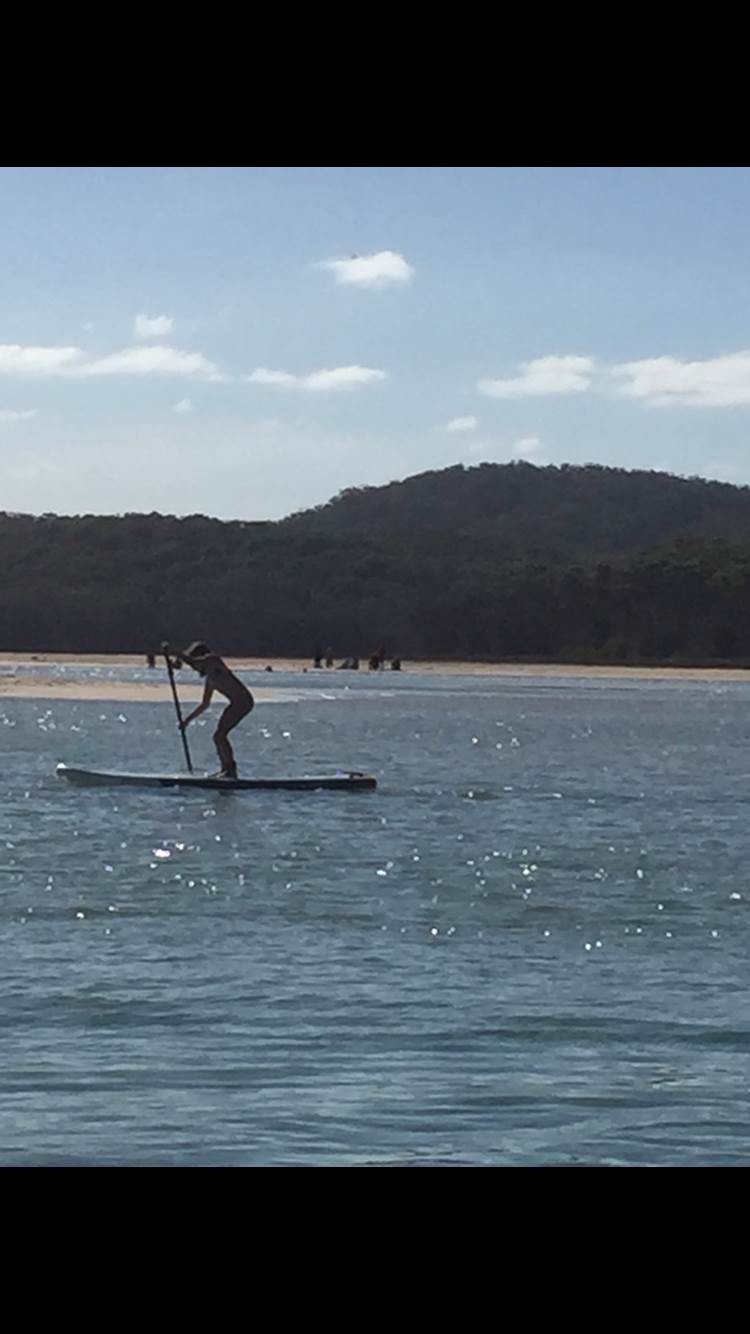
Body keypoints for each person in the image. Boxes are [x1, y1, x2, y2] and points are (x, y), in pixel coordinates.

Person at [162, 641, 254, 779]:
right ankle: (226, 769)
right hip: (236, 703)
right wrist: (186, 721)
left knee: (220, 736)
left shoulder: (214, 660)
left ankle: (230, 770)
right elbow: (204, 704)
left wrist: (172, 650)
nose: (195, 669)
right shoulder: (210, 680)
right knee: (218, 736)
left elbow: (192, 661)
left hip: (243, 702)